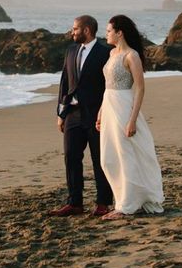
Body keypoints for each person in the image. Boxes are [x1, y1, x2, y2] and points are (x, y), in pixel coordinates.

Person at [97, 14, 164, 220]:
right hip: (108, 106)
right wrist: (100, 112)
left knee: (125, 154)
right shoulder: (111, 54)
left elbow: (140, 88)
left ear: (120, 33)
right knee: (108, 158)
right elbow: (106, 87)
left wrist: (133, 120)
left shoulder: (131, 56)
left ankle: (126, 205)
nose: (106, 34)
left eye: (109, 31)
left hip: (124, 107)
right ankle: (122, 200)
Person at [49, 15, 113, 217]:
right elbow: (64, 83)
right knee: (71, 157)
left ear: (86, 30)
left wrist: (106, 112)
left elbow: (109, 86)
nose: (72, 31)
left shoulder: (106, 52)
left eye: (75, 28)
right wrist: (61, 113)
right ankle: (74, 203)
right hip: (72, 114)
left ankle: (103, 202)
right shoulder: (70, 50)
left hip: (96, 114)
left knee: (99, 159)